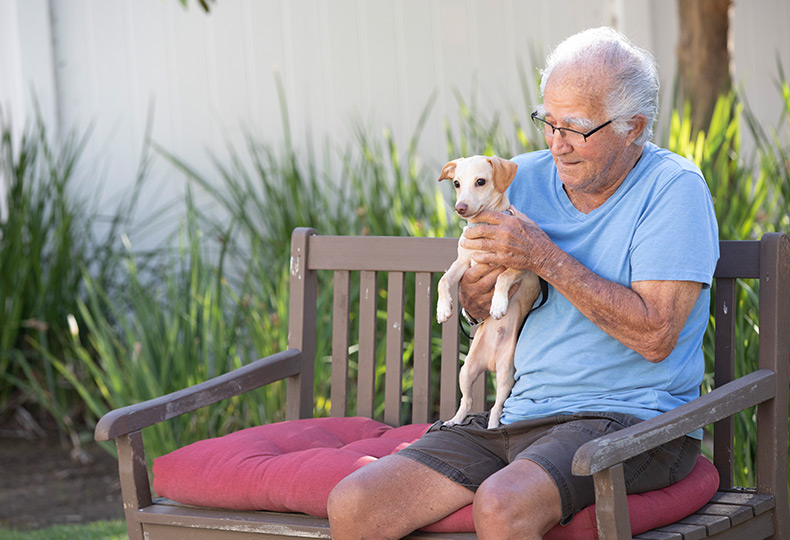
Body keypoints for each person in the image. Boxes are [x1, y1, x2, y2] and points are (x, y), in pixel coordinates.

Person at [327, 26, 719, 539]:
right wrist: (474, 292)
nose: (556, 144)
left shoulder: (673, 192)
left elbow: (656, 335)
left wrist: (545, 257)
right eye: (547, 122)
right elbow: (477, 302)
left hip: (629, 423)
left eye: (575, 128)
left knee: (502, 505)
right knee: (355, 503)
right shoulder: (518, 178)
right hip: (514, 412)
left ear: (633, 127)